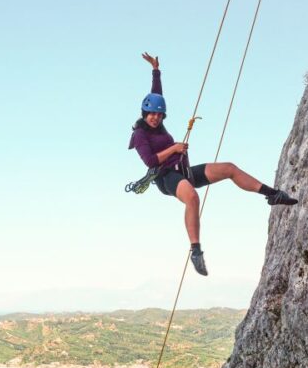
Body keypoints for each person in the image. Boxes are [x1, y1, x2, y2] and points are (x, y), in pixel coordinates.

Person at [128, 52, 298, 276]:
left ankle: (273, 195)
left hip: (183, 170)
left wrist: (156, 70)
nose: (155, 118)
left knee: (229, 168)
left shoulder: (157, 123)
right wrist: (174, 148)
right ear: (144, 113)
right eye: (151, 114)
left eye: (159, 115)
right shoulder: (140, 135)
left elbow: (157, 93)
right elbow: (149, 160)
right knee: (191, 197)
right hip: (166, 177)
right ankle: (196, 251)